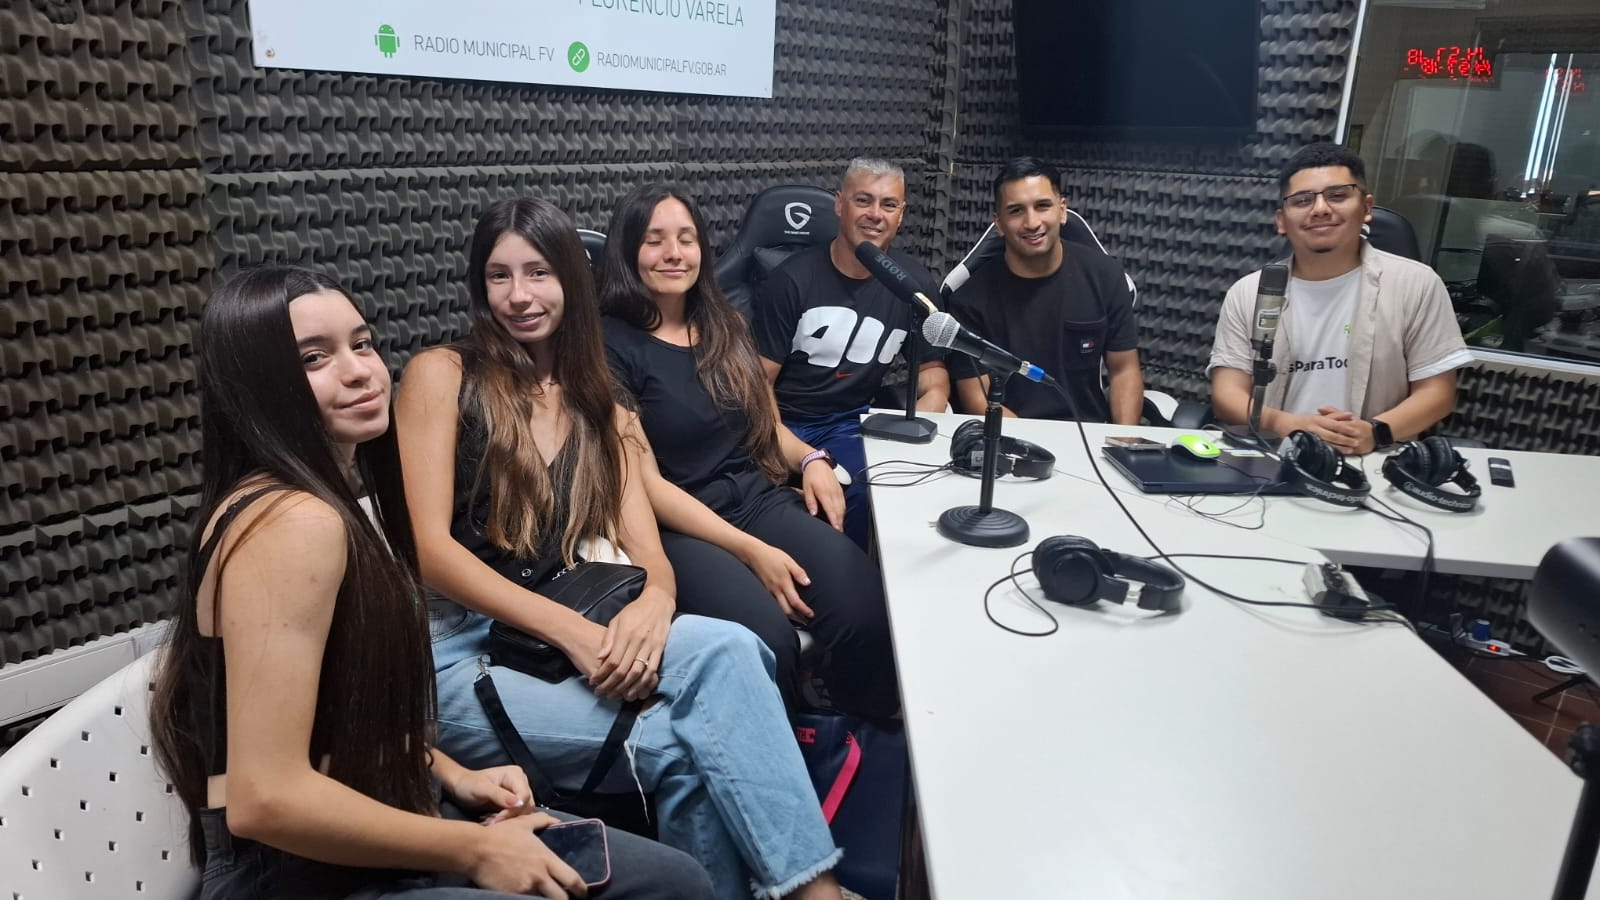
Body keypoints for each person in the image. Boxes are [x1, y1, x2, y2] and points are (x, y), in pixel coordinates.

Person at [149, 266, 714, 900]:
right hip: (291, 872)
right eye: (315, 358)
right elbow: (264, 799)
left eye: (361, 344)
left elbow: (337, 724)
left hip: (376, 811)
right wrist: (474, 847)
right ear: (255, 385)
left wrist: (449, 773)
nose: (361, 370)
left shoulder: (324, 505)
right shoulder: (290, 524)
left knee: (672, 879)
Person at [395, 197, 847, 900]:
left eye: (539, 273)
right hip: (463, 649)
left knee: (732, 648)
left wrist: (658, 602)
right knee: (687, 747)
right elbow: (429, 551)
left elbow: (645, 540)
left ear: (574, 280)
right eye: (498, 276)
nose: (519, 296)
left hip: (564, 622)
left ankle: (807, 888)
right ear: (478, 287)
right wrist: (574, 633)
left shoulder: (597, 396)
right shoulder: (442, 374)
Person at [599, 184, 900, 721]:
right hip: (679, 525)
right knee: (768, 640)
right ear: (628, 252)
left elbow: (766, 426)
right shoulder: (608, 345)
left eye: (686, 239)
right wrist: (749, 551)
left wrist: (810, 460)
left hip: (756, 500)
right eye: (655, 240)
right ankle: (777, 759)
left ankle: (856, 739)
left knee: (866, 609)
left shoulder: (725, 323)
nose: (674, 253)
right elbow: (645, 483)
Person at [1209, 143, 1472, 454]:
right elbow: (1227, 393)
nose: (1320, 209)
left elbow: (1437, 393)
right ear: (1281, 220)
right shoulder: (1249, 292)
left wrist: (1374, 432)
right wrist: (1288, 424)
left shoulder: (1416, 283)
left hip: (1377, 460)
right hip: (1273, 458)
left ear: (1367, 207)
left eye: (1337, 195)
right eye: (1303, 200)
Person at [754, 158, 951, 550]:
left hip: (850, 422)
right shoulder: (791, 281)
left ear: (901, 215)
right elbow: (758, 389)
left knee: (884, 485)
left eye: (888, 205)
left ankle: (866, 585)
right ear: (839, 204)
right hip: (784, 421)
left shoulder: (914, 286)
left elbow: (933, 375)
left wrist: (919, 427)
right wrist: (802, 455)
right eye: (864, 200)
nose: (875, 215)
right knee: (820, 499)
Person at [947, 157, 1145, 423]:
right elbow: (977, 400)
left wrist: (1124, 440)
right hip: (1012, 441)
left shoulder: (1106, 277)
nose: (1032, 222)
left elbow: (1124, 371)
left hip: (1088, 438)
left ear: (1062, 210)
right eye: (1016, 211)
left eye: (1042, 206)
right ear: (999, 222)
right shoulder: (969, 299)